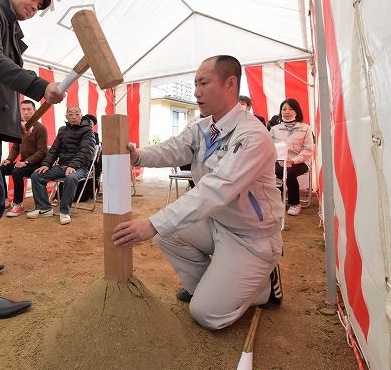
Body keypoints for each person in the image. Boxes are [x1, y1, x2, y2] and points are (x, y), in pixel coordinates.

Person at [112, 55, 284, 330]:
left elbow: (215, 190)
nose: (196, 91)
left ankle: (263, 287)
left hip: (250, 236)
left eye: (203, 82)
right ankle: (216, 286)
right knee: (169, 234)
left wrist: (153, 223)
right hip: (218, 222)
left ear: (230, 84)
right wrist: (138, 156)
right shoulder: (204, 126)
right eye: (195, 83)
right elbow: (174, 148)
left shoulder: (252, 136)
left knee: (207, 315)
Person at [0, 0, 64, 320]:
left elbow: (3, 85)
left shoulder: (10, 26)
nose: (34, 7)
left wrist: (20, 122)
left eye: (40, 4)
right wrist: (40, 85)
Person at [27, 106, 96, 225]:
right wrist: (46, 164)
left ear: (81, 115)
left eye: (76, 114)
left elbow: (86, 150)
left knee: (71, 178)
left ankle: (64, 212)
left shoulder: (88, 130)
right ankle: (44, 208)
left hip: (80, 167)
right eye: (70, 114)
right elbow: (54, 150)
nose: (74, 116)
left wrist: (73, 165)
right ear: (66, 117)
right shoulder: (62, 130)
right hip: (62, 165)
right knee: (37, 176)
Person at [2, 100, 48, 217]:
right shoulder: (19, 127)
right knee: (1, 168)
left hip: (37, 164)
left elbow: (42, 152)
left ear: (35, 111)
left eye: (29, 109)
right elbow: (15, 147)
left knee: (17, 171)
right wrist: (9, 160)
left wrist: (26, 162)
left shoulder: (40, 128)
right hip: (24, 162)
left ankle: (18, 204)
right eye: (23, 110)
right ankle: (5, 201)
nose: (26, 112)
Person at [269, 98, 313, 216]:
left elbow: (308, 150)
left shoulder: (305, 128)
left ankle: (294, 203)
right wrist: (279, 160)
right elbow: (269, 148)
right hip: (279, 161)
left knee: (288, 173)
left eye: (290, 109)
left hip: (300, 162)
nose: (287, 111)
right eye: (284, 109)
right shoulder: (274, 129)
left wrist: (293, 161)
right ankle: (277, 200)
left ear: (296, 111)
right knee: (274, 170)